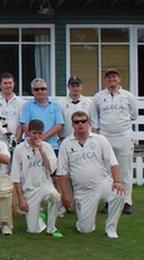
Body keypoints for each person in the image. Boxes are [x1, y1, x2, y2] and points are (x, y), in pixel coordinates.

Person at [57, 111, 125, 238]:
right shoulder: (66, 143)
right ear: (72, 125)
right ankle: (83, 222)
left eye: (83, 121)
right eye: (77, 122)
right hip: (83, 191)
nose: (80, 124)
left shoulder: (100, 140)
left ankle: (111, 228)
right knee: (85, 229)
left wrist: (117, 181)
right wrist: (65, 194)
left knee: (119, 194)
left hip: (102, 183)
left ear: (88, 123)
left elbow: (113, 163)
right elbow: (62, 172)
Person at [89, 69, 138, 215]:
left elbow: (134, 115)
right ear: (105, 80)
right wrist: (97, 135)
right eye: (109, 77)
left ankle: (126, 202)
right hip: (106, 137)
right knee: (107, 171)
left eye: (114, 77)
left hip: (123, 136)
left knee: (125, 171)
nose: (112, 79)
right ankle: (109, 200)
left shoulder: (128, 96)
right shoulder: (98, 97)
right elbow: (94, 117)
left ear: (119, 79)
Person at [11, 120, 62, 237]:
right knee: (33, 230)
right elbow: (15, 176)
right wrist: (21, 199)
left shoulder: (47, 147)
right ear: (28, 132)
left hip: (45, 185)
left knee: (55, 196)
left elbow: (51, 169)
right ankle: (40, 217)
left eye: (40, 133)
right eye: (34, 133)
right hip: (29, 191)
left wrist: (42, 151)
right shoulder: (19, 149)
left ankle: (51, 228)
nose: (37, 136)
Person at [20, 78, 64, 154]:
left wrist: (44, 136)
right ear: (32, 91)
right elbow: (24, 125)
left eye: (42, 89)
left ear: (46, 90)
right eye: (36, 89)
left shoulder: (56, 105)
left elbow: (59, 125)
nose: (40, 91)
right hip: (32, 147)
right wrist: (36, 138)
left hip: (52, 146)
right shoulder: (27, 106)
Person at [0, 72, 25, 146]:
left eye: (10, 83)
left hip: (16, 142)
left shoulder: (21, 102)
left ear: (13, 84)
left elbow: (21, 123)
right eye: (5, 83)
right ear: (0, 85)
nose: (8, 85)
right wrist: (10, 136)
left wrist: (15, 141)